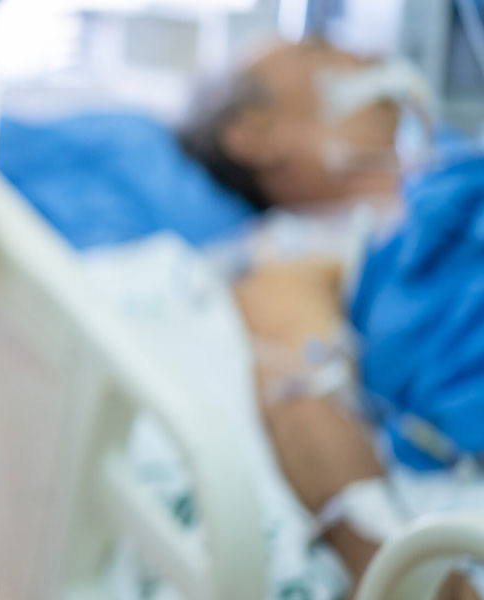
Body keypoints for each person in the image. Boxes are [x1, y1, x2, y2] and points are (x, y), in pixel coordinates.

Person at [182, 40, 482, 597]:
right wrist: (416, 582)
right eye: (318, 51)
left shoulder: (450, 178)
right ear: (255, 134)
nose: (366, 54)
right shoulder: (293, 252)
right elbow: (304, 399)